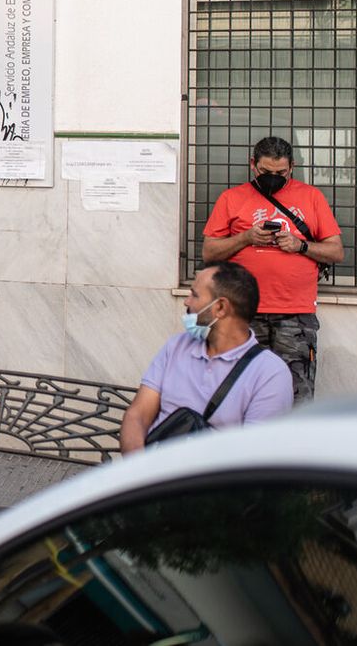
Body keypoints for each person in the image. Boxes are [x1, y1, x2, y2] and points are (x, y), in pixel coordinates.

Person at [203, 136, 343, 403]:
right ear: (253, 165)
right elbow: (209, 252)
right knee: (240, 393)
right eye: (267, 172)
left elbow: (336, 251)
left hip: (295, 316)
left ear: (291, 167)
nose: (274, 178)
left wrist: (300, 246)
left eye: (281, 173)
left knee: (295, 395)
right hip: (243, 313)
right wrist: (246, 238)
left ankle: (291, 445)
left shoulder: (311, 197)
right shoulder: (231, 198)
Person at [119, 261, 294, 453]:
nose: (186, 302)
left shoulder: (270, 373)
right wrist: (139, 467)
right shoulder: (176, 346)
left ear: (220, 307)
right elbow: (138, 415)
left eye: (194, 295)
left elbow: (253, 459)